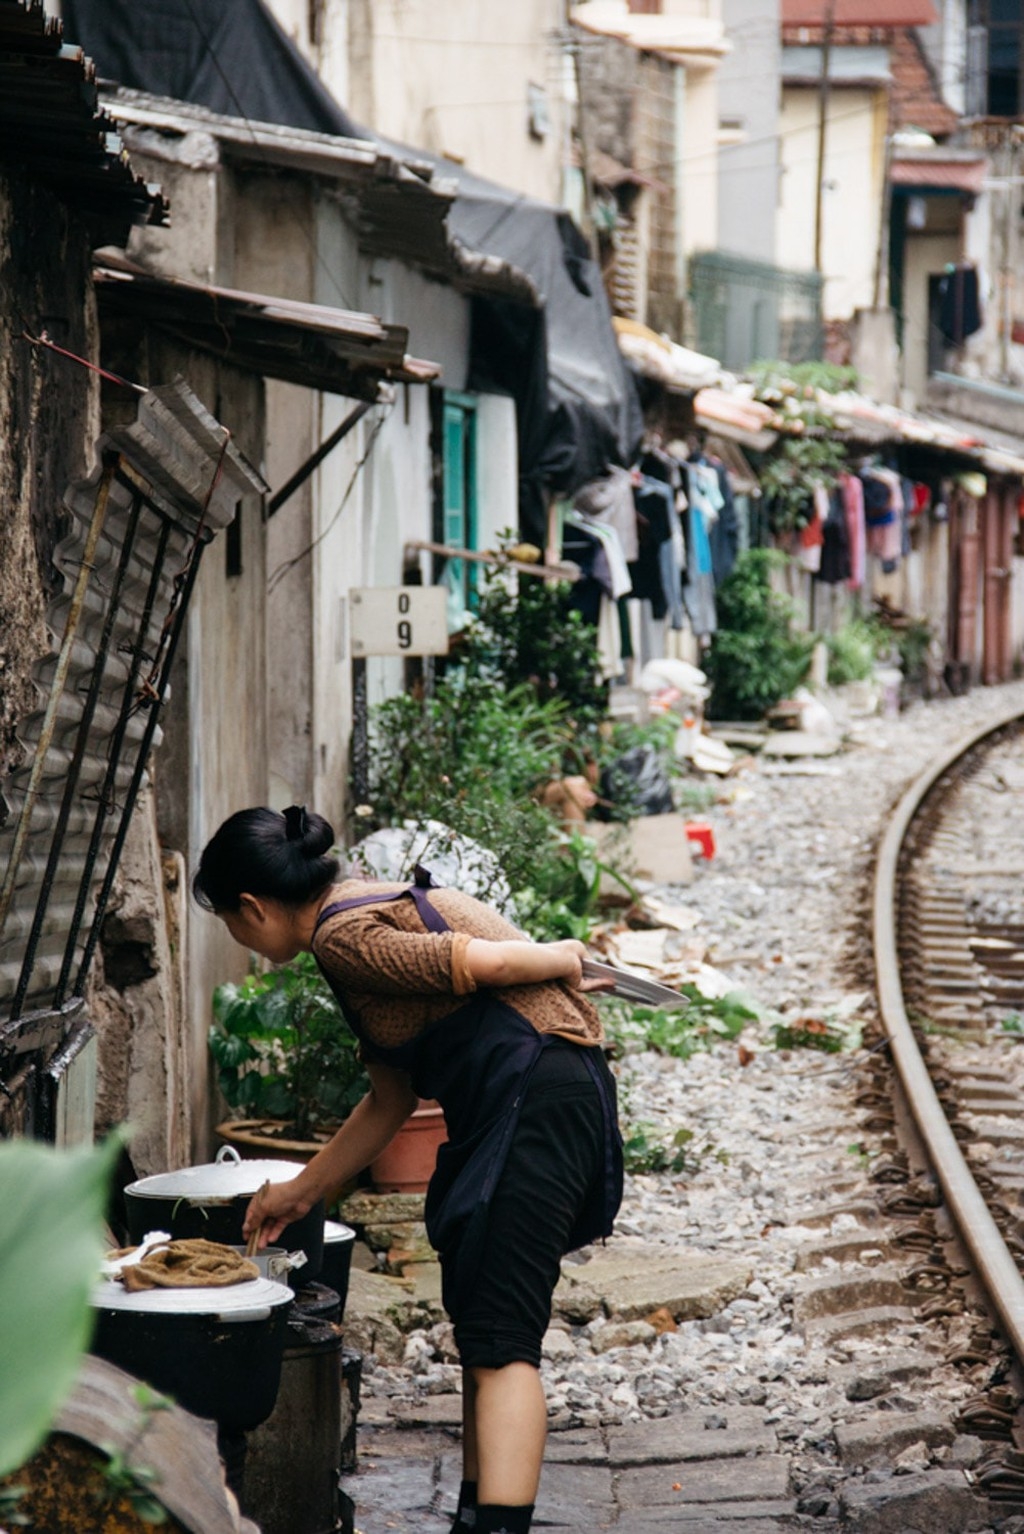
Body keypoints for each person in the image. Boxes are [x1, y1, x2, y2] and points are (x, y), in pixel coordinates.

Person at [193, 804, 623, 1534]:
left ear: (253, 906)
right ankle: (474, 1514)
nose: (237, 939)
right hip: (535, 1101)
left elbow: (477, 964)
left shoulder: (345, 935)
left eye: (231, 924)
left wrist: (565, 955)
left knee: (504, 1341)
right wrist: (300, 1191)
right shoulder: (367, 905)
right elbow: (390, 1101)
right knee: (483, 1325)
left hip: (531, 1105)